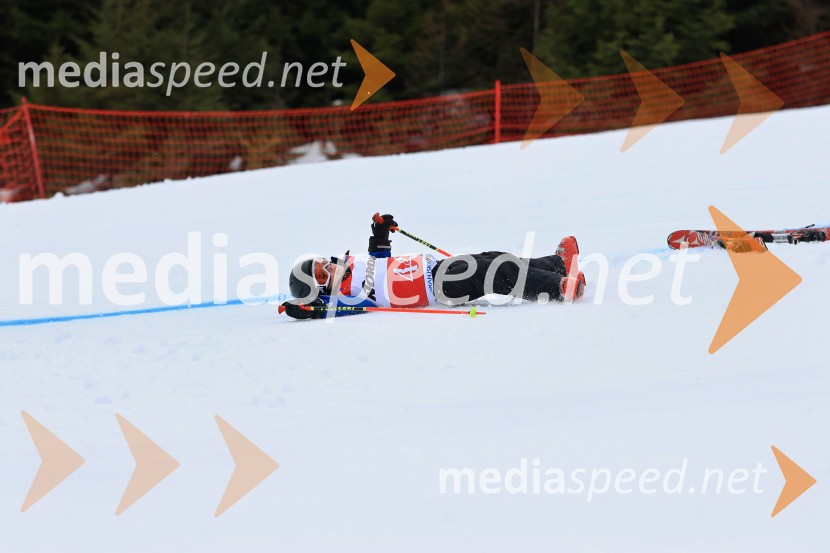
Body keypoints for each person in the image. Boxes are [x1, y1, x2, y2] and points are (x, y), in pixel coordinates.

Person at [279, 213, 586, 320]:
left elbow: (380, 260)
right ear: (320, 290)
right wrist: (303, 308)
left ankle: (557, 265)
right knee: (495, 273)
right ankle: (558, 289)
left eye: (322, 263)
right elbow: (325, 309)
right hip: (438, 287)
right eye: (321, 274)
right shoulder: (347, 297)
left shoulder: (354, 265)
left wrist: (381, 233)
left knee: (495, 258)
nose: (327, 268)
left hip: (439, 268)